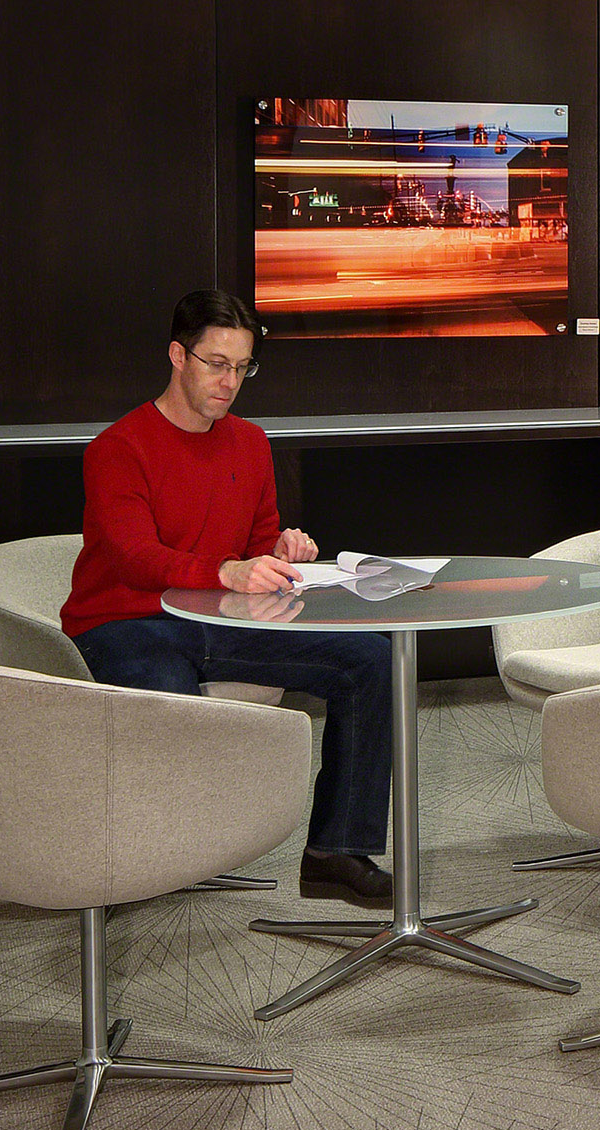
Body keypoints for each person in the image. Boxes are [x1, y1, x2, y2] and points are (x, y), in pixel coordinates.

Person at [63, 291, 394, 904]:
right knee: (168, 701)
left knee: (372, 661)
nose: (229, 381)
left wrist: (281, 548)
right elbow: (134, 558)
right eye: (216, 363)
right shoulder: (119, 448)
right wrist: (230, 572)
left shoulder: (249, 442)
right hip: (125, 619)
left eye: (242, 367)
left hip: (217, 617)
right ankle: (136, 864)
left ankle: (336, 852)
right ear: (176, 356)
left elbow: (251, 541)